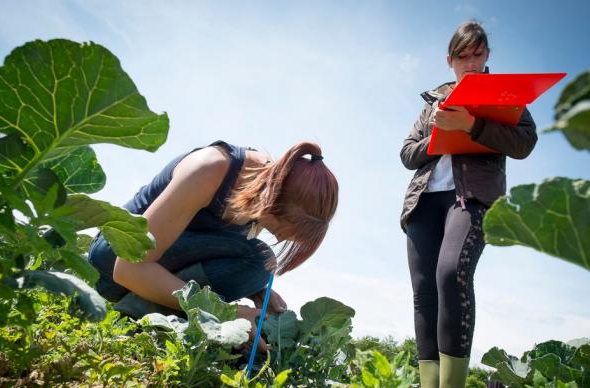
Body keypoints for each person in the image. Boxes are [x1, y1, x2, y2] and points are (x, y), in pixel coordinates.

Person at [89, 140, 338, 352]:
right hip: (112, 261)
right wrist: (226, 314)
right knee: (261, 259)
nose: (282, 239)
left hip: (152, 267)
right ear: (273, 201)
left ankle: (164, 316)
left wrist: (257, 291)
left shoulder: (265, 189)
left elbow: (214, 246)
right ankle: (133, 314)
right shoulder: (209, 169)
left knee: (260, 266)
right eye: (284, 230)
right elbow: (128, 268)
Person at [400, 21, 537, 387]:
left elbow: (524, 142)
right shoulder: (433, 99)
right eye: (463, 56)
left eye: (478, 55)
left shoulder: (503, 94)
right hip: (425, 202)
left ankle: (452, 384)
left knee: (451, 274)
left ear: (488, 55)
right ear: (450, 60)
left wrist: (472, 125)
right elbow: (406, 153)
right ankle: (429, 383)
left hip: (471, 199)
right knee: (424, 291)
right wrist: (438, 137)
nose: (471, 63)